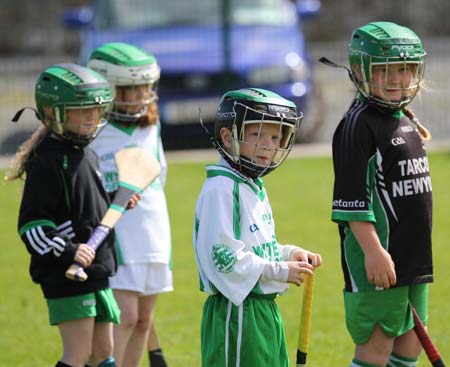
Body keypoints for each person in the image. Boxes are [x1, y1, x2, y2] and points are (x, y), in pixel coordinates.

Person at [7, 63, 137, 367]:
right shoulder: (46, 161)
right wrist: (69, 250)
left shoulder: (85, 153)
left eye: (97, 109)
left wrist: (115, 201)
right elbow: (32, 226)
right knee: (77, 356)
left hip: (96, 270)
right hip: (66, 274)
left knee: (103, 354)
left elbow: (84, 207)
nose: (94, 117)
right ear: (54, 112)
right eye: (83, 111)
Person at [328, 22, 433, 367]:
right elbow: (352, 201)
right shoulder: (357, 125)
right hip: (377, 259)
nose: (396, 79)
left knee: (409, 347)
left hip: (414, 257)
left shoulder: (403, 118)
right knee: (376, 348)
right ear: (359, 70)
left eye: (405, 69)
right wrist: (373, 252)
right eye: (384, 70)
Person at [193, 88, 322, 367]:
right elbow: (224, 258)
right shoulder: (221, 189)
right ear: (228, 137)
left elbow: (259, 246)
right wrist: (279, 271)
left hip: (264, 310)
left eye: (275, 137)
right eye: (257, 134)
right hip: (236, 312)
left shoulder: (251, 186)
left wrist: (289, 254)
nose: (268, 145)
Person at [88, 43, 172, 367]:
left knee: (142, 321)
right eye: (129, 89)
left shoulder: (150, 124)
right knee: (124, 317)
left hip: (152, 228)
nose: (140, 96)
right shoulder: (94, 131)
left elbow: (159, 174)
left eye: (144, 88)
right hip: (117, 233)